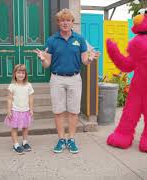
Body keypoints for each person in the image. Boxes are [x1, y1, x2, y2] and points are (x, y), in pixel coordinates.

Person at [34, 9, 100, 154]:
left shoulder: (80, 39)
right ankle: (61, 139)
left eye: (68, 20)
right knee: (58, 111)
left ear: (72, 22)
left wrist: (89, 59)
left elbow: (84, 60)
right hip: (57, 78)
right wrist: (43, 59)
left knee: (74, 111)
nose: (65, 23)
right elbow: (47, 65)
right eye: (62, 20)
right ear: (58, 23)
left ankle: (71, 139)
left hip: (74, 79)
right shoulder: (52, 40)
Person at [4, 64, 34, 155]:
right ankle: (16, 144)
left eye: (22, 73)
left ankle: (25, 142)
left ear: (25, 74)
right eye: (18, 73)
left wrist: (31, 109)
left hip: (25, 110)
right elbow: (9, 99)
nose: (21, 75)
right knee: (14, 128)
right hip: (15, 110)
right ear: (15, 74)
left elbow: (31, 98)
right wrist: (9, 110)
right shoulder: (12, 86)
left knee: (25, 127)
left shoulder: (28, 85)